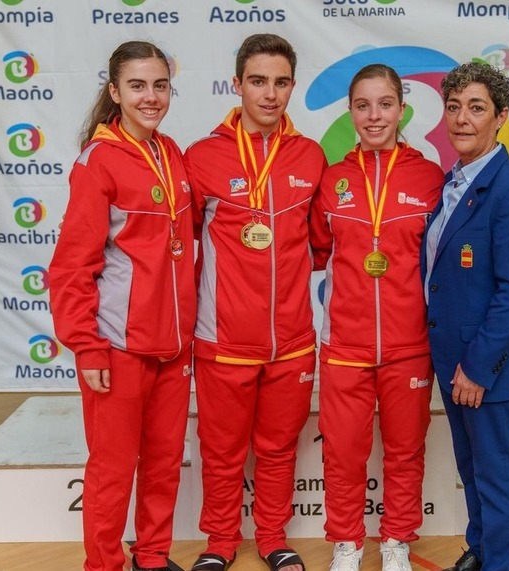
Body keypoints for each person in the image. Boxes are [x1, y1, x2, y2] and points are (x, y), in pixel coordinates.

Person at [49, 41, 195, 571]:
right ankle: (104, 564)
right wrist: (86, 348)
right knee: (113, 469)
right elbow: (70, 268)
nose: (150, 97)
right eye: (137, 85)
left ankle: (152, 556)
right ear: (114, 91)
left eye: (160, 85)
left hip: (174, 346)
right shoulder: (98, 161)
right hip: (119, 347)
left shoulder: (172, 152)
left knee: (162, 465)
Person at [182, 33, 326, 571]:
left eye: (281, 82)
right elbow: (186, 242)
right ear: (237, 83)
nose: (270, 94)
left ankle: (272, 537)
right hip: (222, 338)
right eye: (259, 81)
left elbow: (318, 245)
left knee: (278, 447)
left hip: (291, 340)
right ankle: (220, 543)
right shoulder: (201, 157)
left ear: (292, 86)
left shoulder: (311, 157)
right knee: (220, 451)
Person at [310, 64, 443, 571]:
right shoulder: (333, 180)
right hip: (345, 343)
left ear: (402, 108)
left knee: (406, 452)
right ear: (350, 111)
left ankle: (396, 542)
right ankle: (346, 543)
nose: (374, 116)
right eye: (363, 105)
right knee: (343, 454)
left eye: (385, 104)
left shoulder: (429, 177)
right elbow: (322, 251)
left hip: (410, 344)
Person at [421, 62, 509, 571]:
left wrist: (476, 366)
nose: (462, 119)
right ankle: (480, 551)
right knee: (472, 468)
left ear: (501, 118)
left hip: (484, 369)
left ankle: (502, 565)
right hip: (453, 361)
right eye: (453, 107)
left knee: (495, 473)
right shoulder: (453, 183)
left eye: (476, 108)